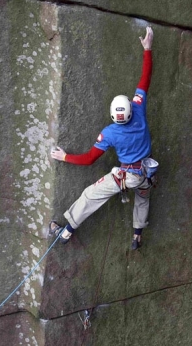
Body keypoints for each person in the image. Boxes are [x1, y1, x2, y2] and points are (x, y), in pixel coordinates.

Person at [50, 26, 155, 250]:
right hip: (148, 171)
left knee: (91, 195)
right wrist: (148, 49)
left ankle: (66, 232)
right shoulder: (138, 108)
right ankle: (137, 235)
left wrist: (65, 156)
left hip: (128, 175)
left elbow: (89, 159)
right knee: (143, 196)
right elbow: (145, 79)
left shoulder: (109, 133)